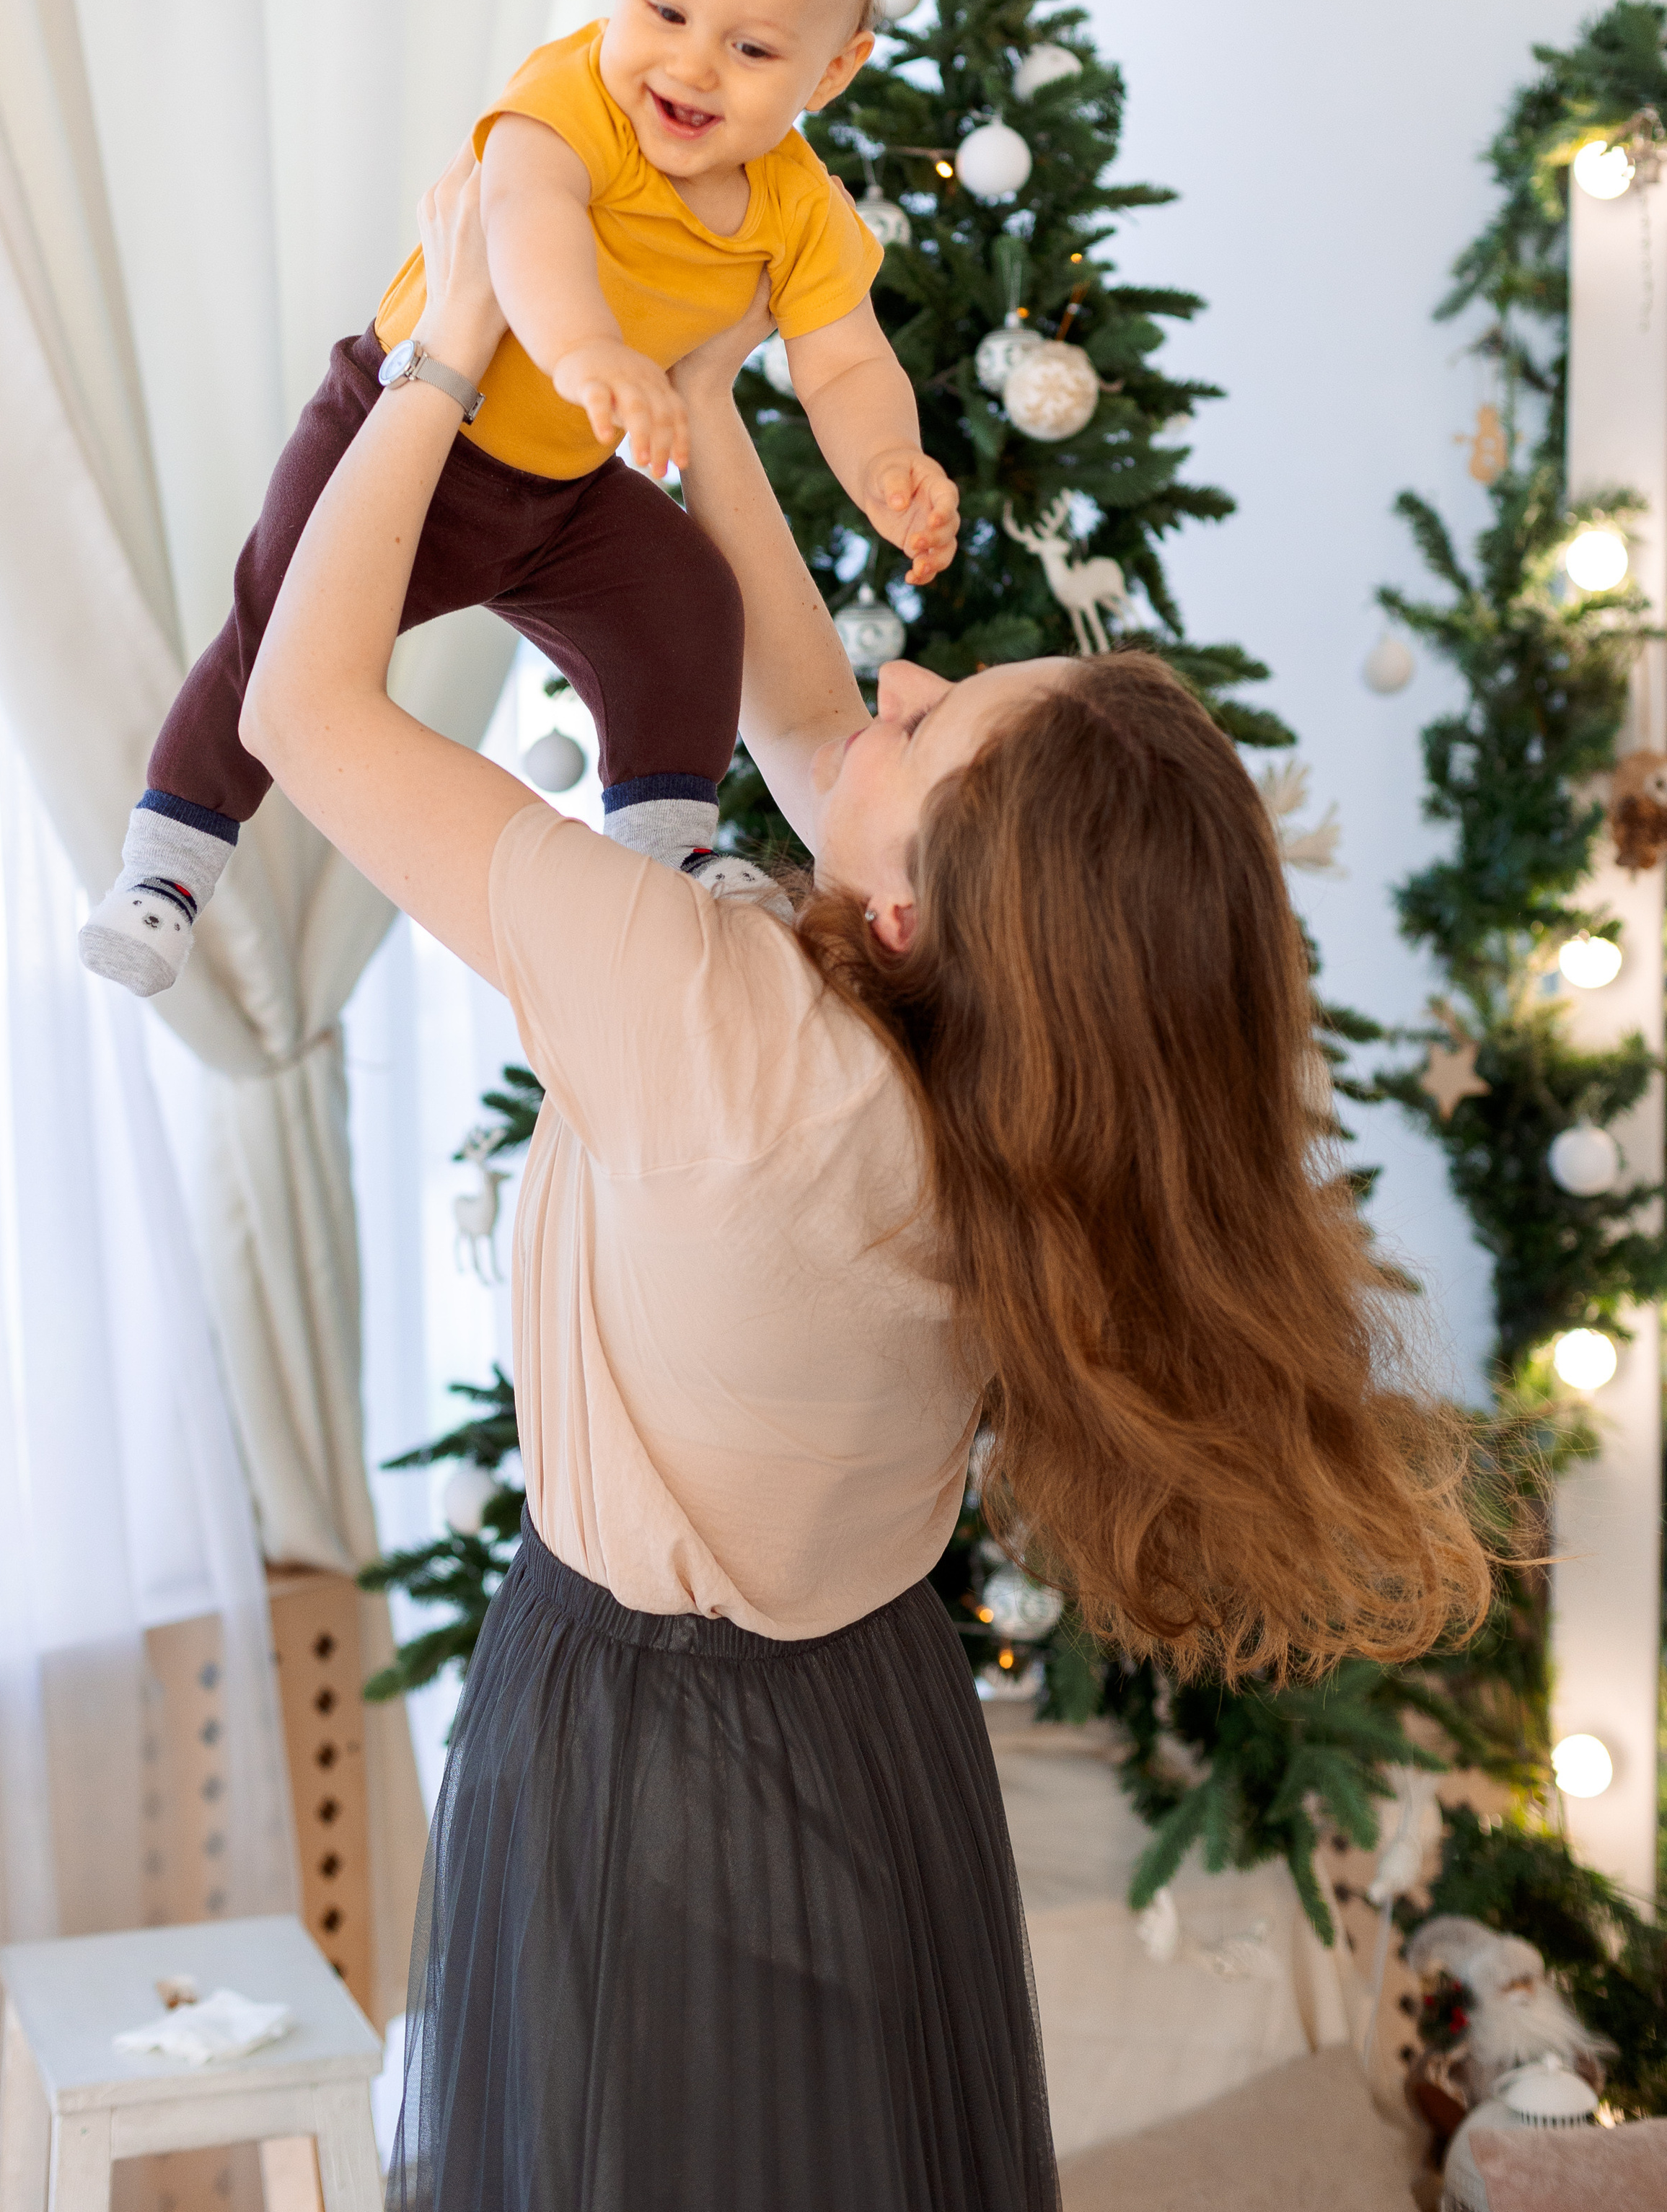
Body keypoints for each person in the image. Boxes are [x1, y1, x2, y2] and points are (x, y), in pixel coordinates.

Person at [240, 160, 1489, 2212]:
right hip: (865, 1726)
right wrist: (700, 390)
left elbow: (304, 705)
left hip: (638, 1748)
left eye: (938, 725)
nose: (897, 689)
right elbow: (813, 715)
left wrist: (444, 342)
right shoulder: (1006, 1089)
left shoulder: (713, 1021)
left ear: (911, 907)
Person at [78, 0, 958, 999]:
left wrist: (886, 469)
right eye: (665, 10)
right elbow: (523, 223)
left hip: (567, 493)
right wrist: (588, 348)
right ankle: (170, 856)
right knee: (272, 625)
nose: (692, 66)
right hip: (403, 436)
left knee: (693, 603)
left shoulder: (800, 205)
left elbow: (846, 362)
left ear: (837, 68)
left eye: (753, 51)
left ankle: (666, 844)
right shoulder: (573, 97)